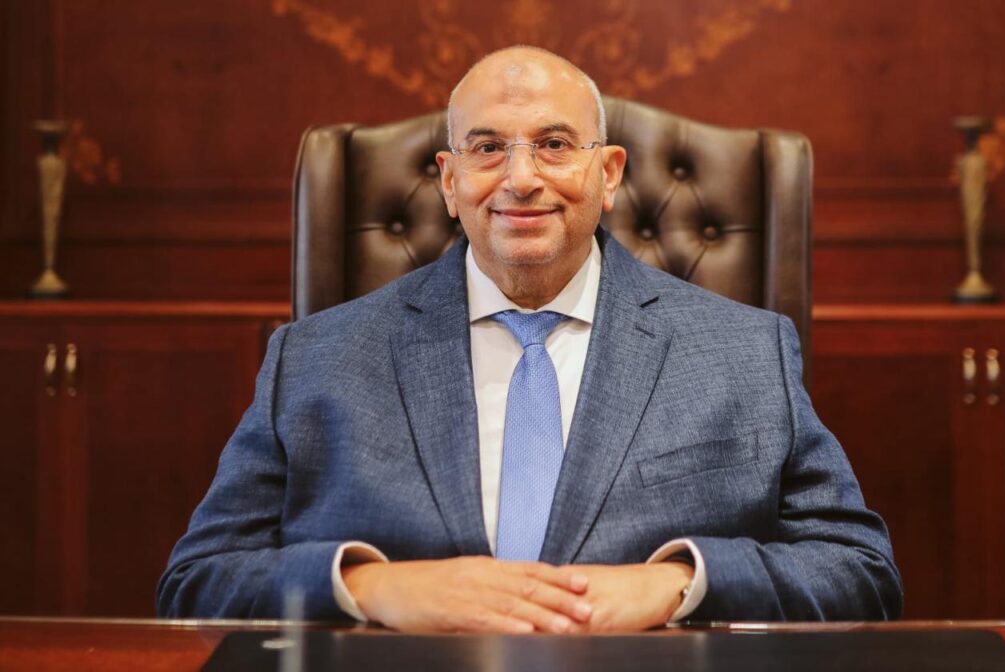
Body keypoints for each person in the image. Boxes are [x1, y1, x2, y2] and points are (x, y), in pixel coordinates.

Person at [158, 46, 901, 632]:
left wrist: (681, 582)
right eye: (487, 148)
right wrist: (372, 586)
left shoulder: (745, 352)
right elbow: (197, 581)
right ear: (449, 182)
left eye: (553, 144)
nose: (520, 179)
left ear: (608, 173)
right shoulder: (314, 359)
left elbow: (860, 573)